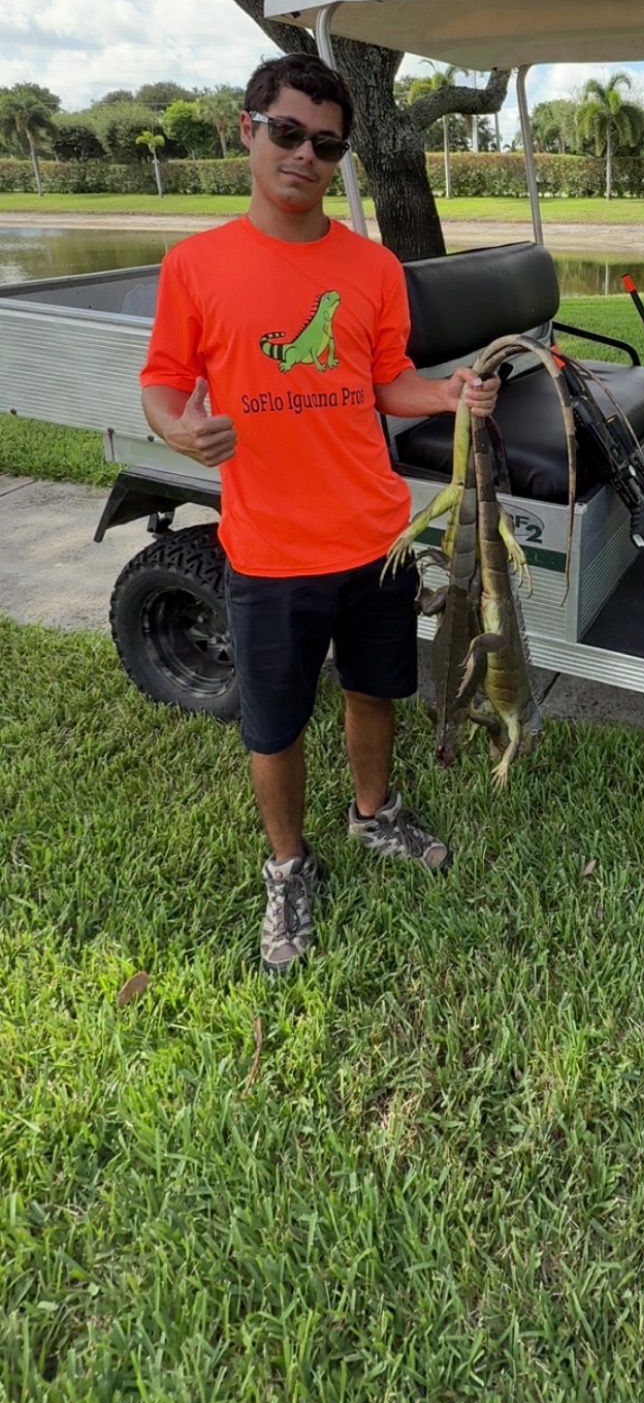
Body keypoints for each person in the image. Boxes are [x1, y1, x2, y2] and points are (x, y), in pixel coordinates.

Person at [140, 50, 498, 974]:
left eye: (327, 143)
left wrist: (452, 393)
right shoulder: (197, 264)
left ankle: (373, 812)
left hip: (375, 537)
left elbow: (386, 384)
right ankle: (289, 866)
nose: (306, 156)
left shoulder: (371, 267)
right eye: (290, 133)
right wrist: (181, 433)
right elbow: (162, 383)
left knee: (375, 686)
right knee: (276, 721)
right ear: (249, 130)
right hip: (268, 547)